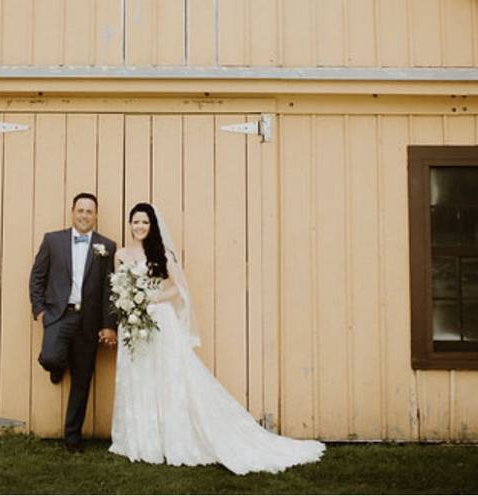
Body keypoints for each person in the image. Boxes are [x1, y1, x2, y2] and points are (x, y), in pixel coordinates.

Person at [109, 202, 325, 474]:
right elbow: (119, 288)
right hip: (133, 325)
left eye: (144, 222)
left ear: (152, 226)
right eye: (135, 222)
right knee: (139, 376)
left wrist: (152, 298)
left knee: (167, 377)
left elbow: (178, 289)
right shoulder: (121, 255)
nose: (139, 226)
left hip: (160, 320)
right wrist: (130, 304)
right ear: (129, 224)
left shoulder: (162, 253)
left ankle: (173, 436)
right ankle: (141, 439)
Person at [29, 192, 118, 452]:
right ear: (72, 212)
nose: (84, 215)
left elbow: (108, 290)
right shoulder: (52, 240)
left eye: (90, 211)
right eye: (80, 210)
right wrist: (40, 311)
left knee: (82, 379)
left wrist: (108, 324)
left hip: (89, 321)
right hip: (59, 315)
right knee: (50, 357)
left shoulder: (107, 246)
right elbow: (37, 277)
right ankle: (59, 363)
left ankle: (72, 438)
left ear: (96, 216)